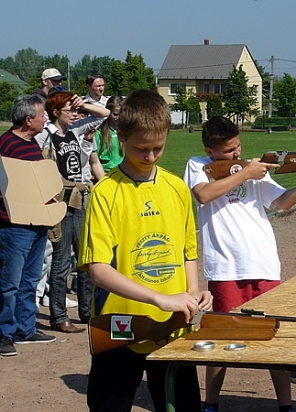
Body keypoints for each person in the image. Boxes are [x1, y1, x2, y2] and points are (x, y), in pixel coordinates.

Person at [183, 116, 296, 412]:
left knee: (272, 338)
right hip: (226, 268)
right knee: (221, 338)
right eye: (229, 150)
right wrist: (246, 173)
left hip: (263, 263)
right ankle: (211, 404)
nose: (236, 153)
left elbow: (284, 202)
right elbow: (203, 194)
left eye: (238, 146)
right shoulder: (197, 165)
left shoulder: (253, 170)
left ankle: (285, 406)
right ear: (210, 151)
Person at [78, 89, 211, 412]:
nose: (150, 156)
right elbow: (98, 270)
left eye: (158, 148)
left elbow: (187, 252)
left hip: (173, 326)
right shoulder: (105, 193)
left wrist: (194, 292)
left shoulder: (177, 188)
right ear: (121, 137)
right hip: (119, 328)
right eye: (141, 148)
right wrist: (159, 299)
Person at [35, 91, 108, 333]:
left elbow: (105, 114)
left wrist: (83, 103)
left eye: (77, 111)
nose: (75, 114)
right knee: (61, 260)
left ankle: (87, 312)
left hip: (81, 198)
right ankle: (59, 316)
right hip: (60, 201)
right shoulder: (45, 135)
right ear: (56, 112)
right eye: (70, 110)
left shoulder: (75, 131)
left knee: (84, 259)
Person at [0, 95, 57, 357]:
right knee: (9, 282)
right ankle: (4, 333)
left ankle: (25, 328)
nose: (45, 119)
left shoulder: (32, 143)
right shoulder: (5, 145)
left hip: (37, 221)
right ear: (28, 120)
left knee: (30, 279)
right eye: (42, 115)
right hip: (14, 226)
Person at [94, 95, 124, 172]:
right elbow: (93, 161)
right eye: (115, 114)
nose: (118, 117)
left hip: (125, 173)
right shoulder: (99, 133)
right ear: (108, 112)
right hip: (106, 173)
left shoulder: (128, 131)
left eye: (121, 114)